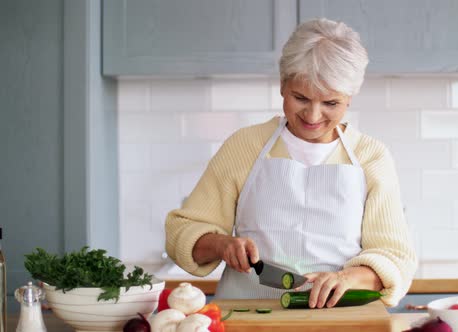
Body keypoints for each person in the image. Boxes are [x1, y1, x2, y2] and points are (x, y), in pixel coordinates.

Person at [165, 18, 417, 308]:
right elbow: (181, 232)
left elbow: (395, 256)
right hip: (245, 319)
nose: (312, 116)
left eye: (330, 104)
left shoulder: (371, 156)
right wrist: (222, 245)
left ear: (349, 98)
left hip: (340, 321)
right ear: (283, 85)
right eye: (301, 98)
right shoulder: (245, 146)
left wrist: (348, 278)